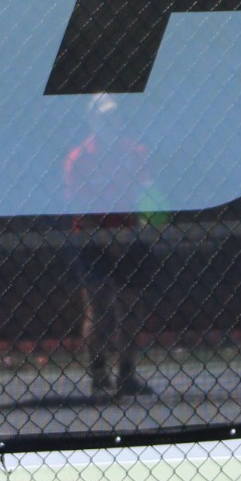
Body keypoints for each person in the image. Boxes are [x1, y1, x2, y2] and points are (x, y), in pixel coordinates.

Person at [66, 93, 158, 401]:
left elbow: (147, 196)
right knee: (100, 308)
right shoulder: (79, 157)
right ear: (91, 119)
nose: (110, 121)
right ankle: (97, 373)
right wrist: (106, 240)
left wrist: (137, 232)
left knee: (131, 307)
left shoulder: (136, 152)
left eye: (114, 115)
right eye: (103, 116)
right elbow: (78, 207)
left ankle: (126, 374)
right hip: (92, 239)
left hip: (129, 237)